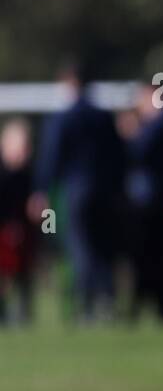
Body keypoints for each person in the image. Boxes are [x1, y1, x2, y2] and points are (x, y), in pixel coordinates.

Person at [30, 62, 124, 321]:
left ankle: (86, 303)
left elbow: (51, 158)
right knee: (102, 246)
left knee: (81, 247)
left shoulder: (63, 119)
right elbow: (118, 157)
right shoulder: (104, 117)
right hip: (104, 192)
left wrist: (41, 190)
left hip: (76, 193)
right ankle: (107, 299)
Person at [121, 85, 163, 321]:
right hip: (159, 204)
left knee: (154, 257)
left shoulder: (161, 125)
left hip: (155, 205)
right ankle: (161, 305)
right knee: (158, 257)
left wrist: (131, 133)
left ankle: (157, 305)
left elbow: (139, 152)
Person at [0, 117, 37, 325]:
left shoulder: (31, 174)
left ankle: (24, 313)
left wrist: (47, 230)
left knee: (24, 273)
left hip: (23, 233)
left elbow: (46, 213)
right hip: (5, 231)